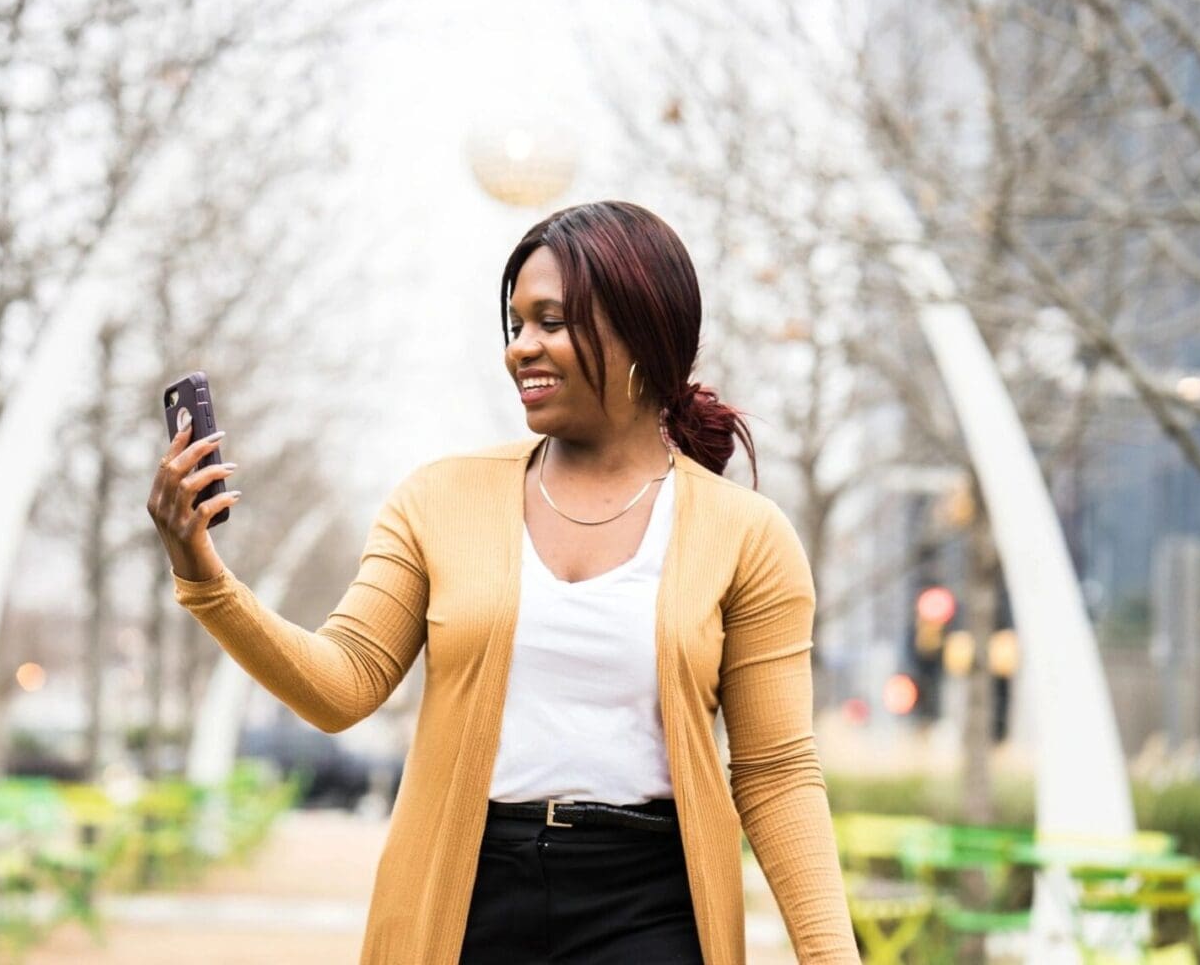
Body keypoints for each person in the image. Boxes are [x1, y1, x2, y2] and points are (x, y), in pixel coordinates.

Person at [147, 200, 859, 964]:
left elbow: (776, 772)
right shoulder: (438, 499)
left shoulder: (748, 535)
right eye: (515, 325)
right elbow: (342, 685)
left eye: (551, 322)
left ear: (640, 331)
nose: (522, 348)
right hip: (465, 899)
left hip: (649, 909)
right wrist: (205, 576)